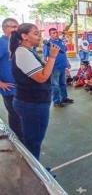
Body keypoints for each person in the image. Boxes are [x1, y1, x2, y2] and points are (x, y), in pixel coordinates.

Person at [10, 23, 60, 160]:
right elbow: (42, 77)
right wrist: (53, 57)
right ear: (24, 36)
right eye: (36, 33)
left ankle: (35, 168)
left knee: (33, 138)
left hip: (32, 102)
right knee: (34, 141)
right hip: (32, 104)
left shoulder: (28, 51)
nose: (40, 36)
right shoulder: (22, 53)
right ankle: (35, 175)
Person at [0, 18, 22, 140]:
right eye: (12, 27)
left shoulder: (18, 43)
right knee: (15, 117)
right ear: (4, 28)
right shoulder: (1, 43)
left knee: (22, 115)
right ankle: (18, 143)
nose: (15, 29)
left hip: (21, 88)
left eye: (16, 27)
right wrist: (0, 83)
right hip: (10, 89)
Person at [43, 28, 73, 107]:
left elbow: (64, 54)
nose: (55, 34)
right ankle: (56, 101)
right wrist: (49, 67)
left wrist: (67, 63)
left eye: (56, 32)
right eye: (53, 33)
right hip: (54, 68)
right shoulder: (48, 44)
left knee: (63, 83)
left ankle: (64, 98)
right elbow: (45, 58)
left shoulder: (61, 42)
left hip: (62, 66)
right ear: (50, 35)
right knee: (55, 85)